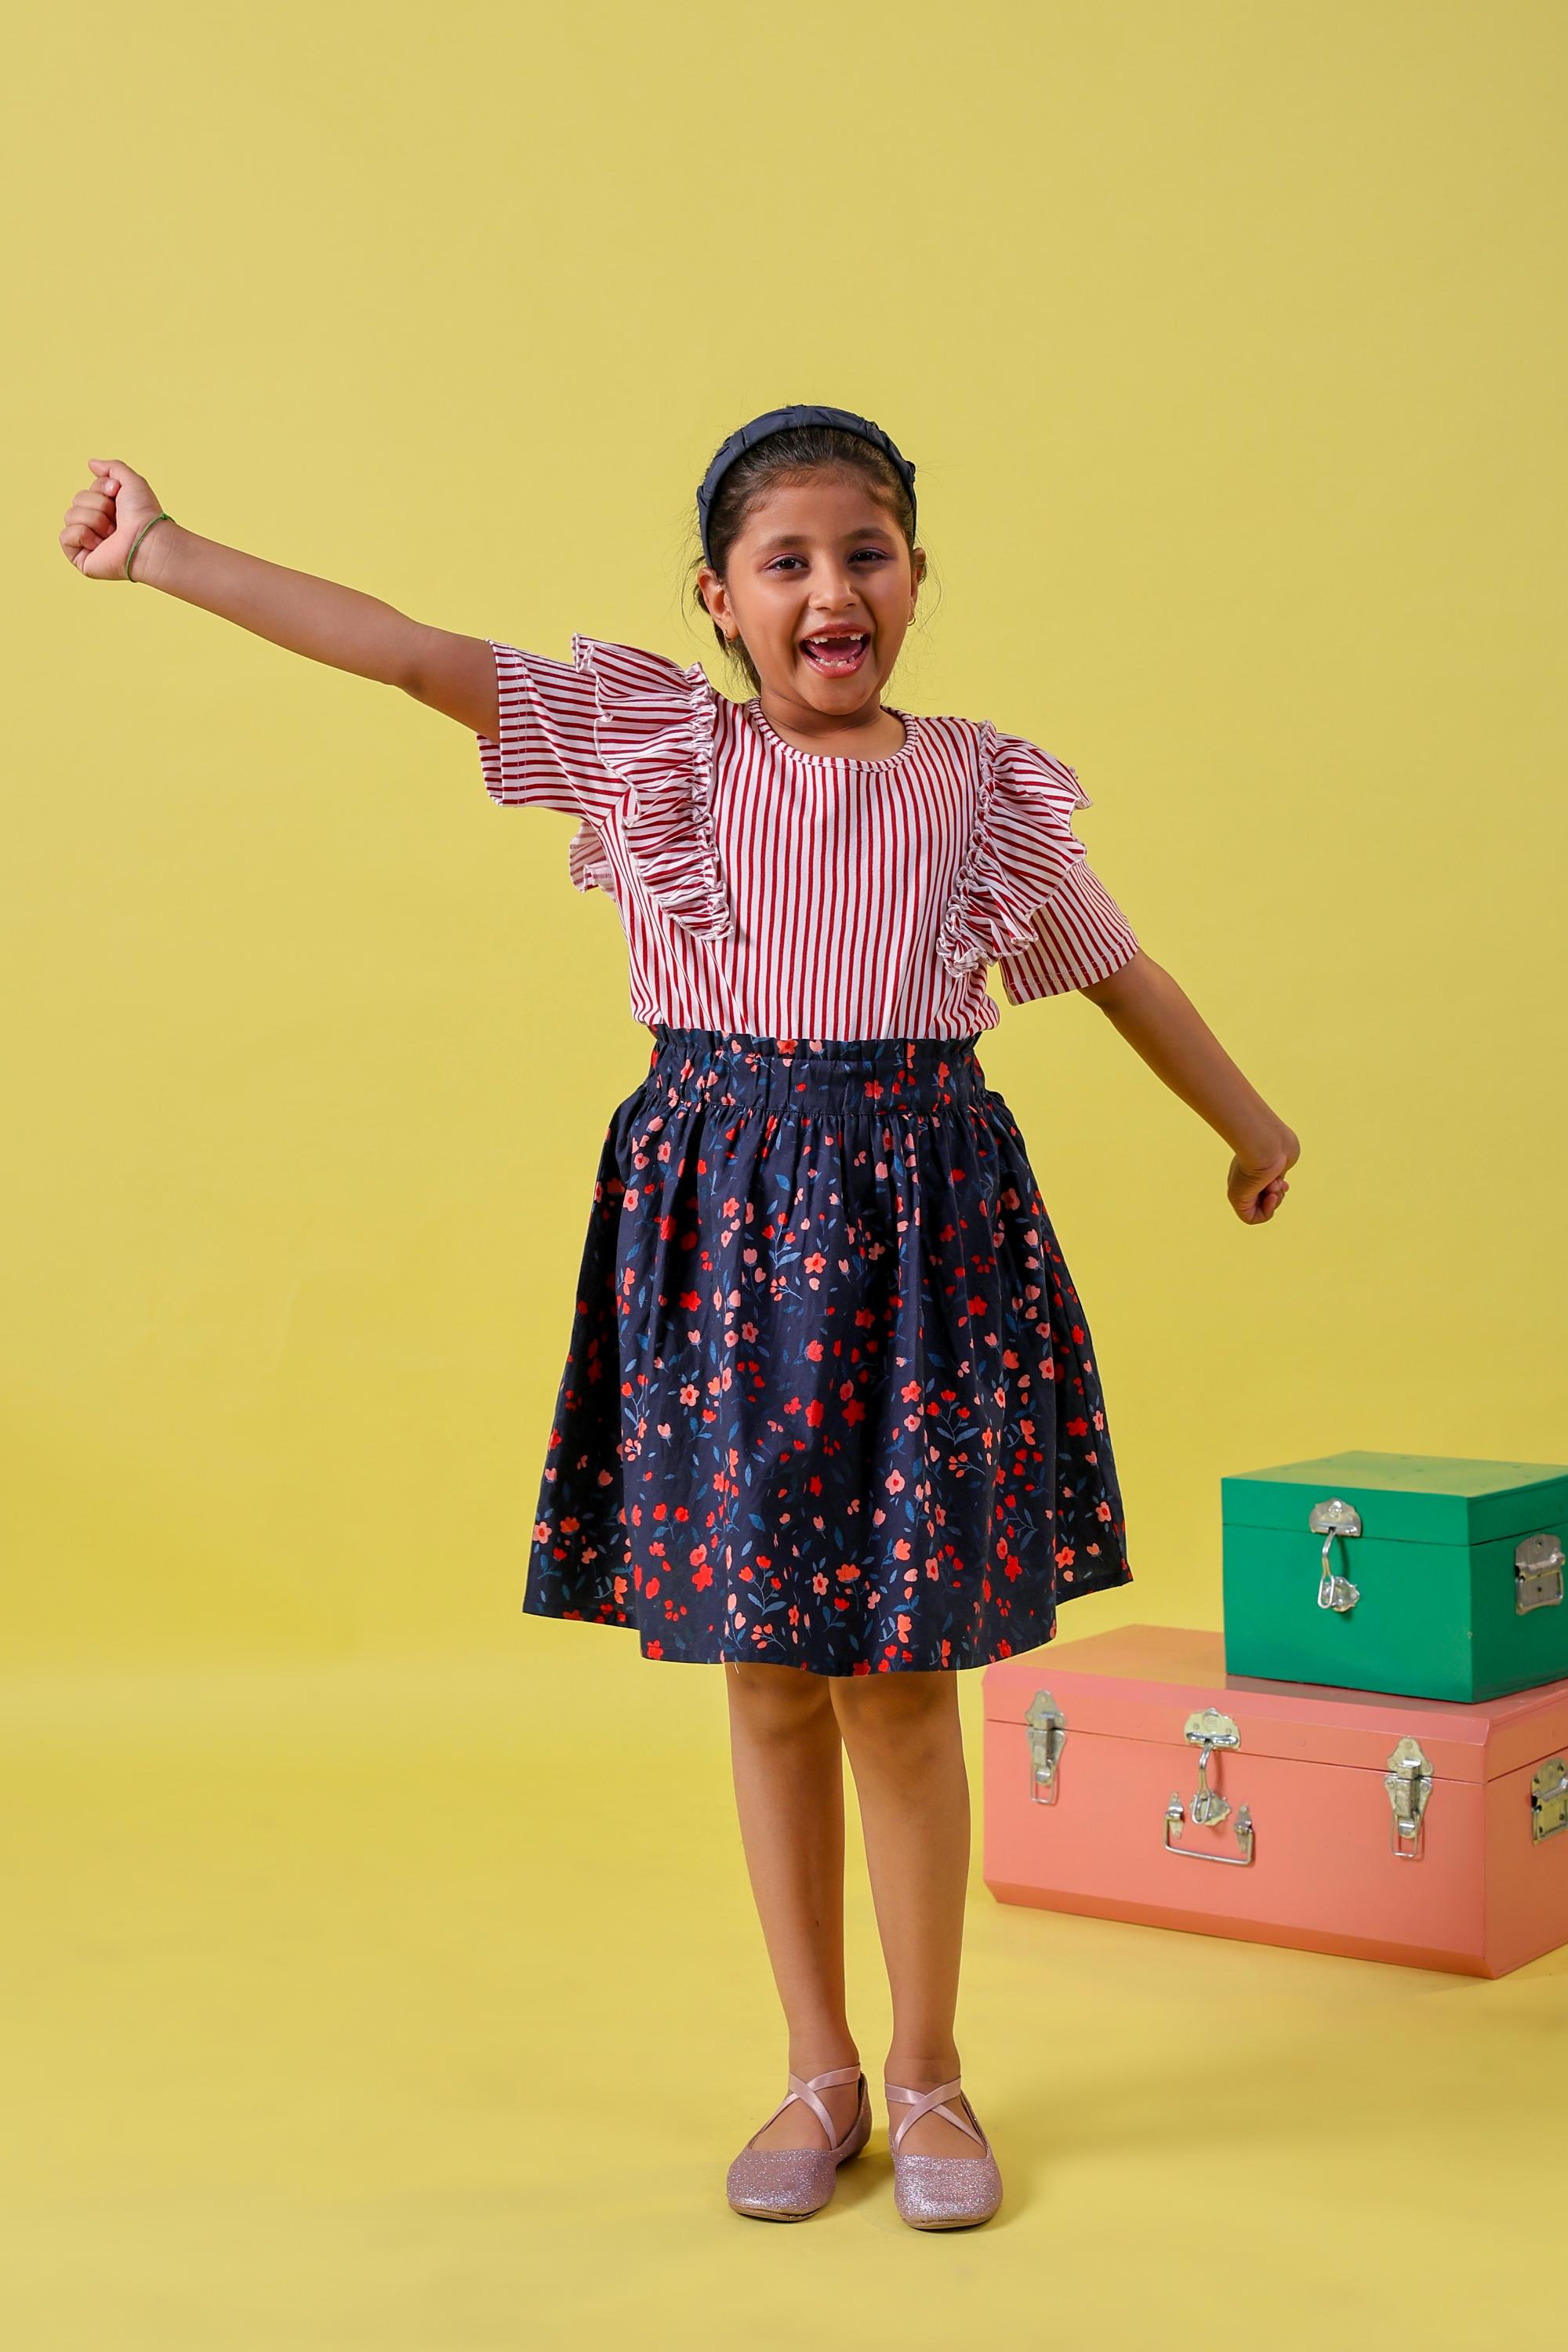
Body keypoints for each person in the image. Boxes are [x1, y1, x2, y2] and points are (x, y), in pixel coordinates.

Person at [59, 408, 1299, 2231]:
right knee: (772, 1675)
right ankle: (818, 2070)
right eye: (785, 563)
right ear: (717, 600)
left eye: (863, 553)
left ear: (914, 578)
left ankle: (936, 2074)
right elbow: (411, 652)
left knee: (900, 1679)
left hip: (917, 1229)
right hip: (719, 1228)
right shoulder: (661, 755)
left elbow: (1117, 969)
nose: (829, 592)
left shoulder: (975, 788)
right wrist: (168, 551)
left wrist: (1251, 1126)